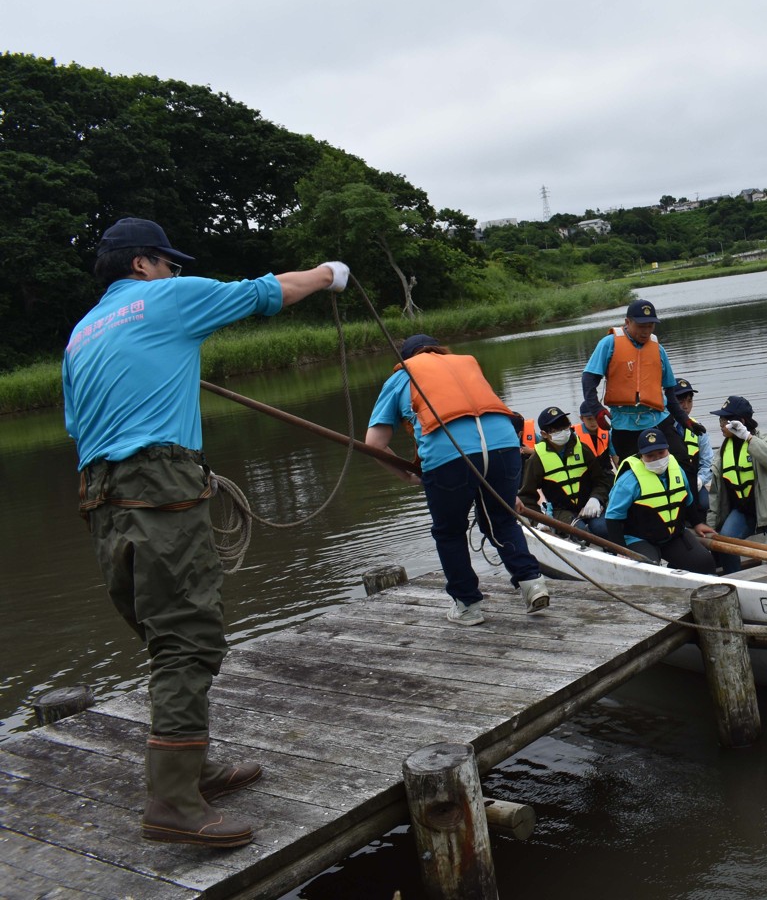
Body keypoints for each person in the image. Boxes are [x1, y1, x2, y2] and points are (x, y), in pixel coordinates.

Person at [63, 216, 348, 848]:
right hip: (159, 491)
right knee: (187, 641)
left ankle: (193, 770)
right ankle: (171, 802)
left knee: (166, 637)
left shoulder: (82, 335)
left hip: (102, 500)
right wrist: (330, 275)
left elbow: (81, 429)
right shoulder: (163, 298)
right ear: (142, 264)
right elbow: (266, 291)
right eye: (168, 261)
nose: (175, 271)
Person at [365, 334, 550, 625]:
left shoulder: (402, 375)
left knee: (450, 532)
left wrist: (407, 476)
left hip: (449, 456)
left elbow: (374, 443)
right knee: (500, 520)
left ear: (406, 358)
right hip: (504, 447)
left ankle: (467, 606)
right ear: (440, 351)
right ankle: (532, 583)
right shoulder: (466, 365)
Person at [580, 299, 704, 463]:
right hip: (624, 425)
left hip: (658, 420)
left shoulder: (658, 349)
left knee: (682, 461)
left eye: (650, 326)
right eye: (641, 326)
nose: (646, 331)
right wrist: (596, 409)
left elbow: (670, 391)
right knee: (634, 471)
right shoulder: (609, 344)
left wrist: (684, 419)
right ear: (627, 322)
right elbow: (589, 379)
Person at [707, 395, 767, 573]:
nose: (720, 423)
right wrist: (711, 527)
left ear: (740, 421)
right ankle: (735, 580)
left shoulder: (765, 439)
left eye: (725, 419)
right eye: (720, 419)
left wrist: (748, 437)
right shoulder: (722, 452)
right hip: (744, 511)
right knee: (725, 540)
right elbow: (716, 496)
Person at [603, 427, 715, 572]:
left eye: (661, 453)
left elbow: (687, 499)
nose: (657, 459)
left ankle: (677, 568)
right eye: (650, 455)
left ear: (667, 450)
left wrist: (697, 523)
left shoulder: (677, 469)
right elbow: (612, 517)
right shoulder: (629, 480)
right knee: (650, 572)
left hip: (672, 535)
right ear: (641, 456)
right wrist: (620, 549)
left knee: (704, 563)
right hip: (639, 538)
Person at [519, 405, 611, 539]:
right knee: (580, 533)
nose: (563, 431)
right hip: (561, 511)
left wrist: (596, 498)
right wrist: (538, 520)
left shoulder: (583, 449)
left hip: (589, 506)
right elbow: (527, 496)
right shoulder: (537, 459)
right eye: (556, 429)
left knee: (603, 528)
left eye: (565, 426)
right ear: (544, 434)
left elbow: (601, 480)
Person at [662, 378, 713, 509]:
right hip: (667, 483)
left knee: (705, 503)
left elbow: (707, 462)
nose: (686, 406)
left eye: (689, 401)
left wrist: (700, 480)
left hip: (692, 481)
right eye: (681, 401)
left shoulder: (698, 429)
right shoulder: (660, 429)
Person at [573, 398, 614, 469]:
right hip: (585, 473)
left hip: (605, 472)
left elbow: (615, 456)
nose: (593, 422)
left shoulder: (608, 433)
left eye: (596, 418)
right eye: (589, 419)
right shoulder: (573, 435)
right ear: (582, 418)